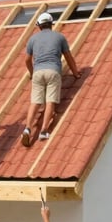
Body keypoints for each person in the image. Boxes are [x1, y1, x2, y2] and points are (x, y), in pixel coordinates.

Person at [22, 12, 83, 147]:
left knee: (35, 102)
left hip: (38, 72)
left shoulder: (33, 39)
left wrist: (32, 73)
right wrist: (75, 73)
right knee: (50, 101)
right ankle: (43, 131)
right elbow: (68, 57)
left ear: (39, 26)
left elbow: (27, 60)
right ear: (51, 24)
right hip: (53, 71)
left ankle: (27, 128)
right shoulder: (59, 37)